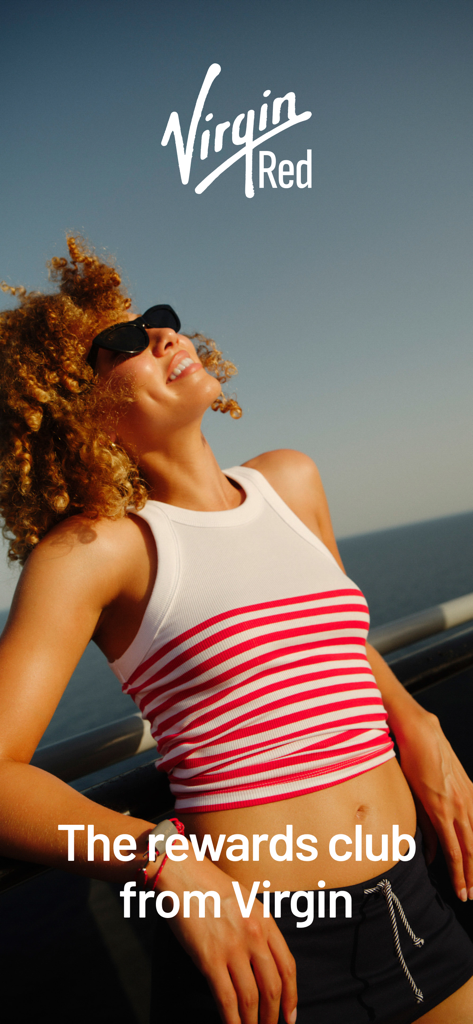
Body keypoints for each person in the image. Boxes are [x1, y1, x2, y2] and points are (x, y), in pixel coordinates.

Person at [0, 237, 472, 1024]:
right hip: (265, 949)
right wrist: (161, 857)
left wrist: (415, 721)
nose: (161, 335)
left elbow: (332, 650)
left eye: (157, 320)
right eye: (118, 342)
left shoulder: (289, 480)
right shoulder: (98, 550)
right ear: (71, 409)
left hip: (414, 895)